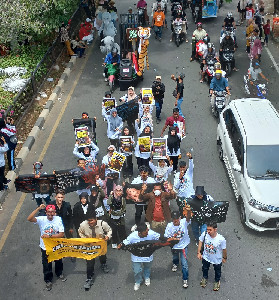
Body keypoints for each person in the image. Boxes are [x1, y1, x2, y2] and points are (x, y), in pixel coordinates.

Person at [27, 204, 66, 291]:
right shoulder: (41, 219)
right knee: (46, 264)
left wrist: (50, 236)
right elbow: (29, 218)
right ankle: (48, 280)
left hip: (56, 245)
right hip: (45, 247)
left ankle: (59, 273)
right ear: (46, 212)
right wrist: (38, 209)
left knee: (58, 260)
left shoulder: (58, 219)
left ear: (55, 212)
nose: (50, 214)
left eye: (52, 212)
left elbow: (61, 234)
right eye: (48, 212)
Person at [118, 222, 160, 291]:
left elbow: (159, 237)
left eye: (147, 231)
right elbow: (126, 241)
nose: (147, 233)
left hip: (148, 256)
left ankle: (146, 277)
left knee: (147, 267)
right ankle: (138, 281)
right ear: (139, 233)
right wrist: (120, 245)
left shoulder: (150, 233)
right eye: (145, 232)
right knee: (137, 271)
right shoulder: (132, 236)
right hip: (136, 257)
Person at [78, 209, 112, 290]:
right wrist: (85, 239)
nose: (90, 222)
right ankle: (89, 278)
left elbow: (109, 230)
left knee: (102, 256)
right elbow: (80, 232)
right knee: (89, 262)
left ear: (96, 219)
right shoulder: (83, 225)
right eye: (88, 221)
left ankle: (103, 264)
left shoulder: (103, 224)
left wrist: (108, 236)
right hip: (89, 246)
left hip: (100, 245)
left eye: (92, 220)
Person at [164, 210, 191, 288]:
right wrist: (173, 239)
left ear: (180, 218)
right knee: (175, 257)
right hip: (174, 246)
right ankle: (175, 264)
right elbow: (167, 238)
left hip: (183, 246)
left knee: (184, 263)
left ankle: (185, 279)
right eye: (173, 219)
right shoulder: (169, 226)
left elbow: (188, 218)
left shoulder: (184, 222)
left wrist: (189, 211)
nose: (175, 220)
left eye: (176, 218)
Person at [197, 223, 227, 291]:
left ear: (215, 229)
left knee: (217, 271)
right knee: (205, 268)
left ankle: (217, 281)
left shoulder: (221, 239)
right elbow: (200, 241)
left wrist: (224, 258)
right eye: (207, 229)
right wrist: (199, 252)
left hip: (217, 260)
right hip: (206, 257)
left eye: (210, 230)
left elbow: (224, 249)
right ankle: (205, 278)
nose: (208, 231)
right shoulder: (205, 234)